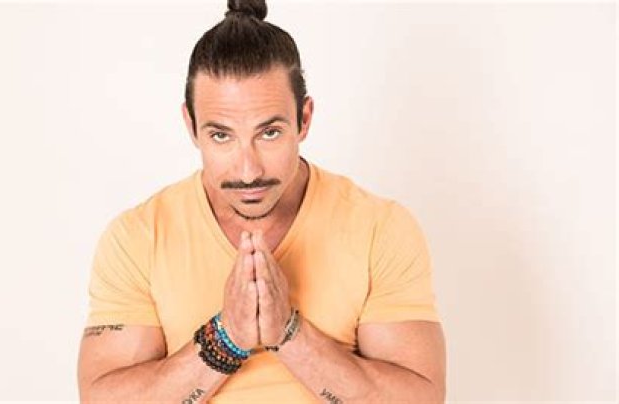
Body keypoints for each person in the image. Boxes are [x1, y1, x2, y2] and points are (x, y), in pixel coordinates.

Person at [77, 0, 446, 402]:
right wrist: (225, 339)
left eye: (269, 133)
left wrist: (289, 334)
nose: (249, 170)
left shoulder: (379, 228)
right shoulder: (138, 237)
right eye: (221, 136)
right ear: (191, 126)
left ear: (304, 119)